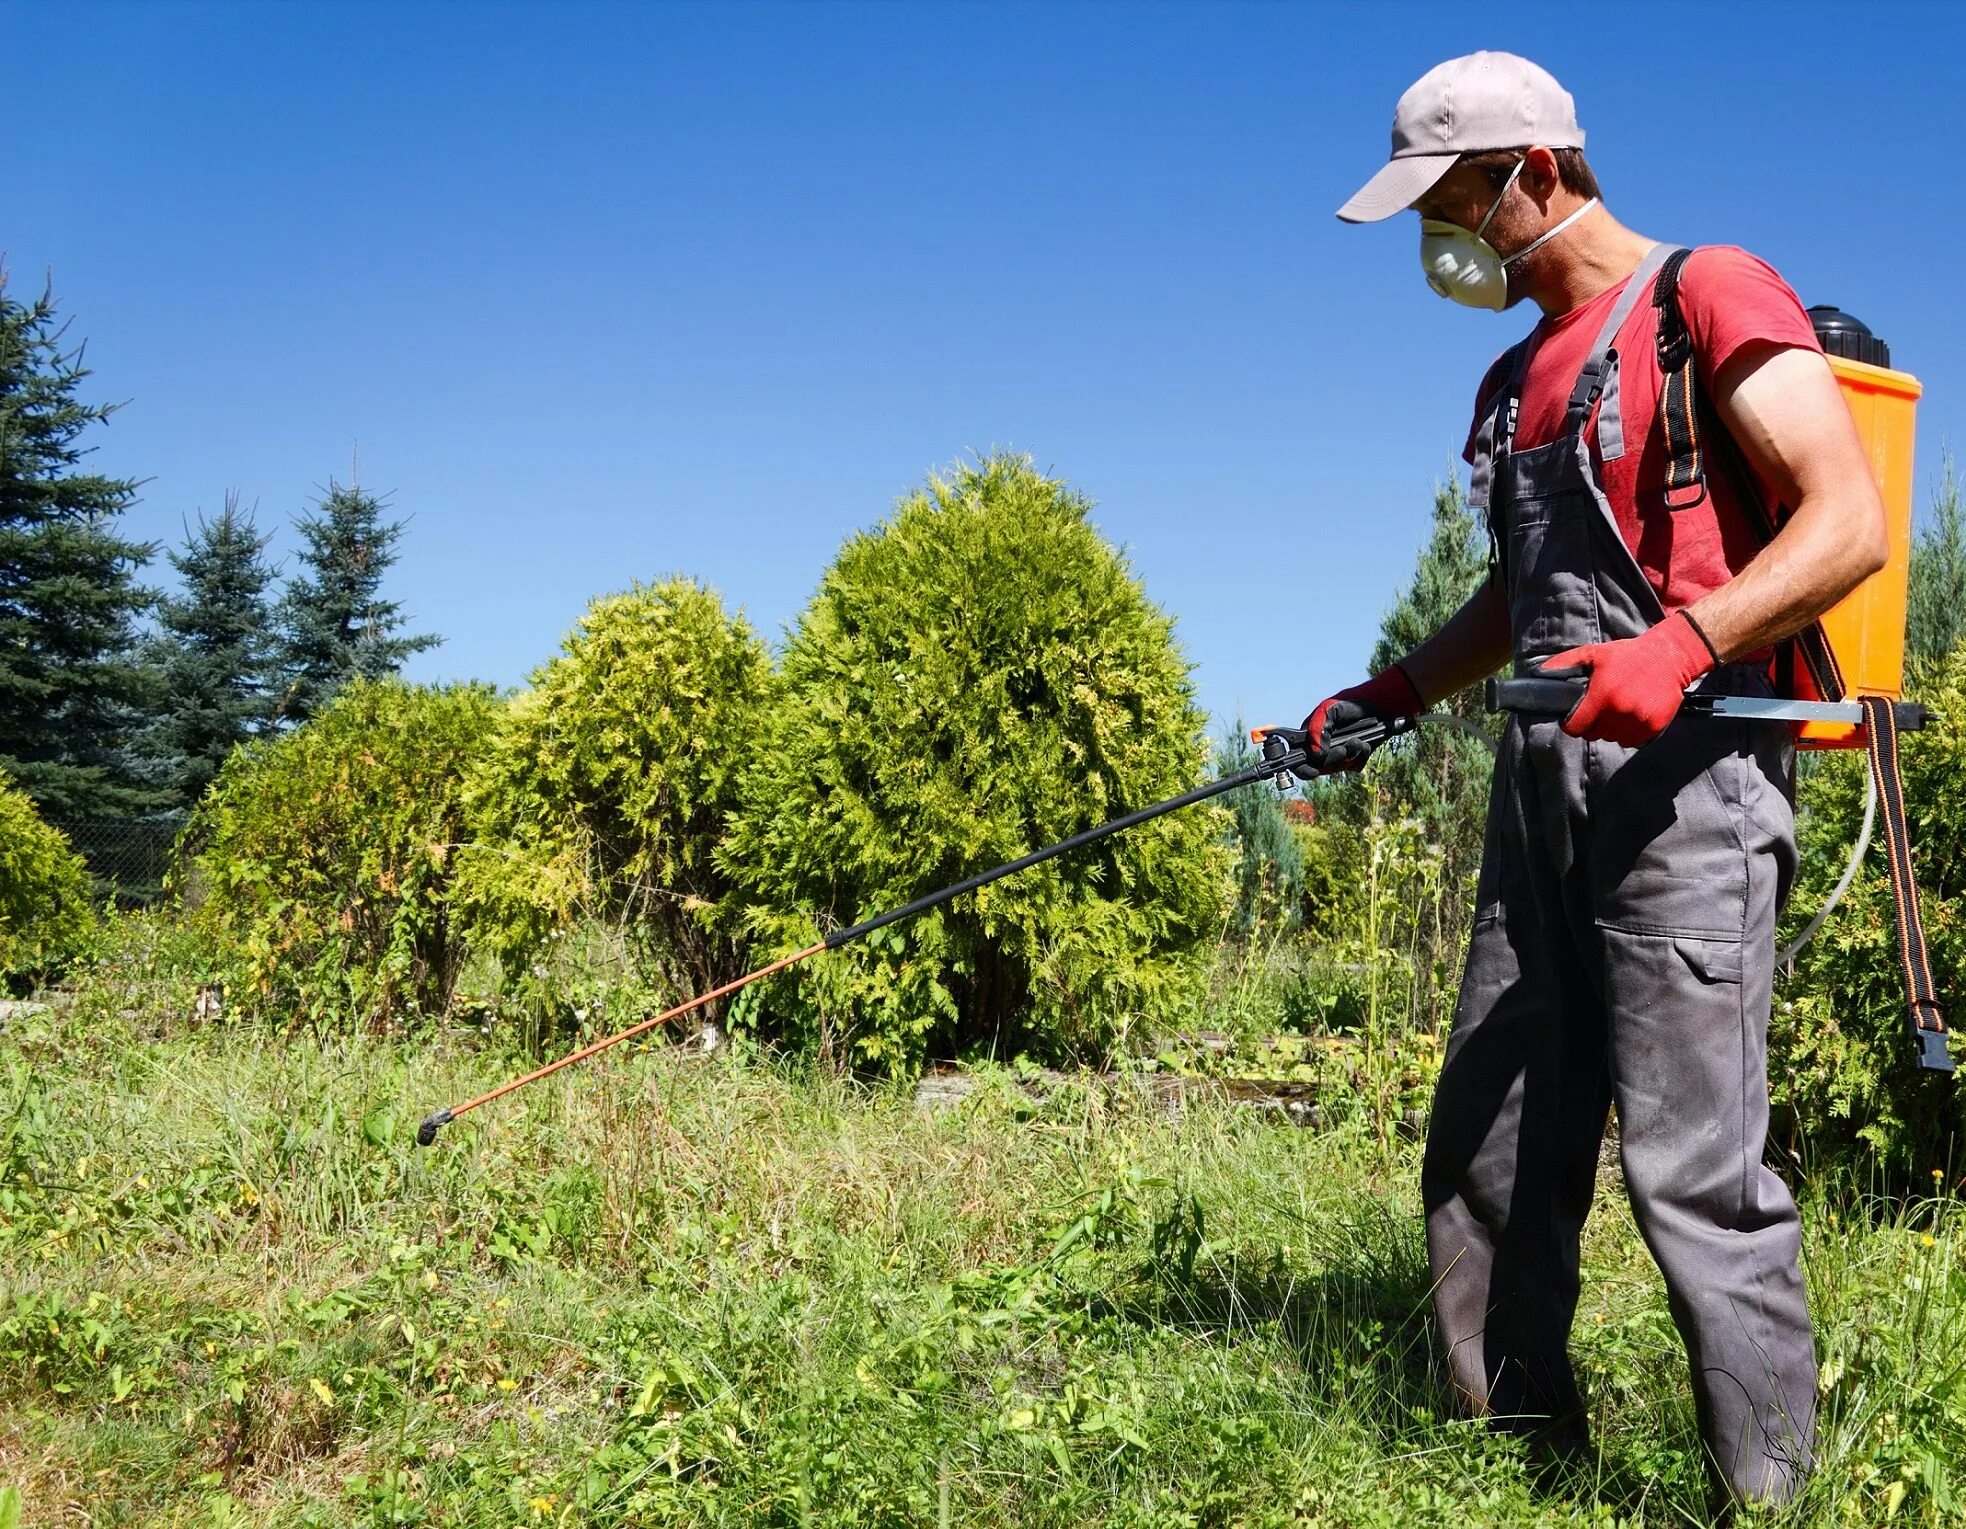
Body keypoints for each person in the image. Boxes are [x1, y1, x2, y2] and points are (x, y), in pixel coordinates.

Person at [1311, 51, 1889, 1506]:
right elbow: (1521, 595)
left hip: (1688, 786)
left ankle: (1764, 1497)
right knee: (1491, 1140)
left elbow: (1847, 521)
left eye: (1453, 203)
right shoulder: (1511, 380)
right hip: (1538, 792)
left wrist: (1682, 643)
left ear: (1538, 173)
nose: (1445, 243)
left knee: (1694, 1171)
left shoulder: (1704, 298)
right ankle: (1513, 1457)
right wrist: (1390, 693)